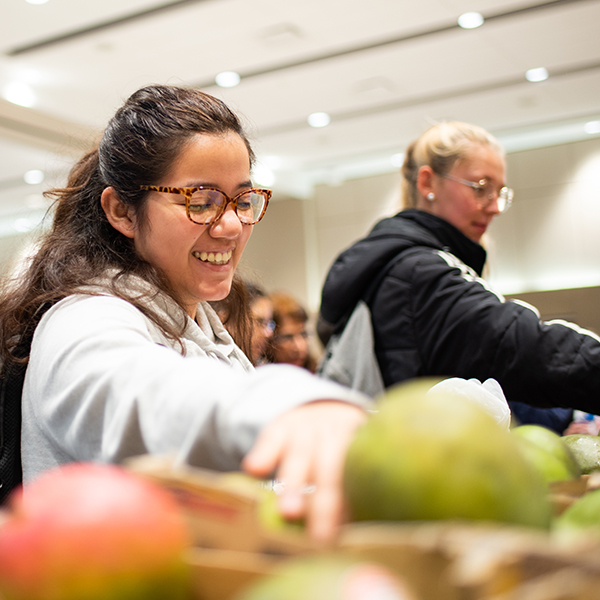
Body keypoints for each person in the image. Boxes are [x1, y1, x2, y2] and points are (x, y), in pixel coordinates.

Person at [0, 84, 368, 542]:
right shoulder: (83, 319)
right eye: (201, 201)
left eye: (242, 199)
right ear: (122, 211)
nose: (231, 225)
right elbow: (150, 397)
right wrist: (288, 404)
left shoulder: (197, 321)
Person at [318, 121, 600, 418]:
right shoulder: (419, 272)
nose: (494, 207)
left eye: (499, 192)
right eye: (481, 188)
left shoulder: (390, 261)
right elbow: (528, 347)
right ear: (427, 183)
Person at [211, 281, 275, 365]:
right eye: (260, 322)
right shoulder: (208, 362)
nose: (269, 333)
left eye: (269, 324)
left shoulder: (264, 370)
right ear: (224, 318)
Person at [267, 292, 318, 372]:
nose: (300, 347)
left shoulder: (318, 372)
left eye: (303, 334)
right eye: (288, 337)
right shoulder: (261, 378)